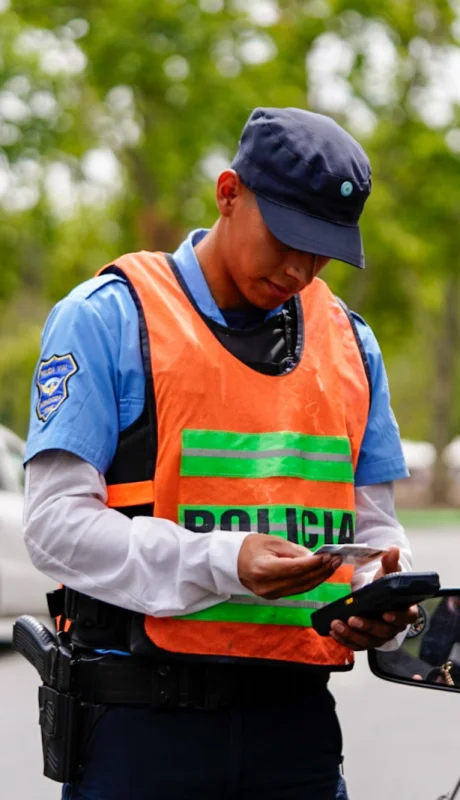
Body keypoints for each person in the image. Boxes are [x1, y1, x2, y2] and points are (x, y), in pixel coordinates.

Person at [23, 107, 416, 800]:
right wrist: (224, 562)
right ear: (229, 192)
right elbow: (54, 529)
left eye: (324, 250)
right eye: (287, 237)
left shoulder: (353, 346)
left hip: (296, 735)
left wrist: (376, 598)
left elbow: (375, 533)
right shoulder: (108, 319)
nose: (301, 268)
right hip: (142, 733)